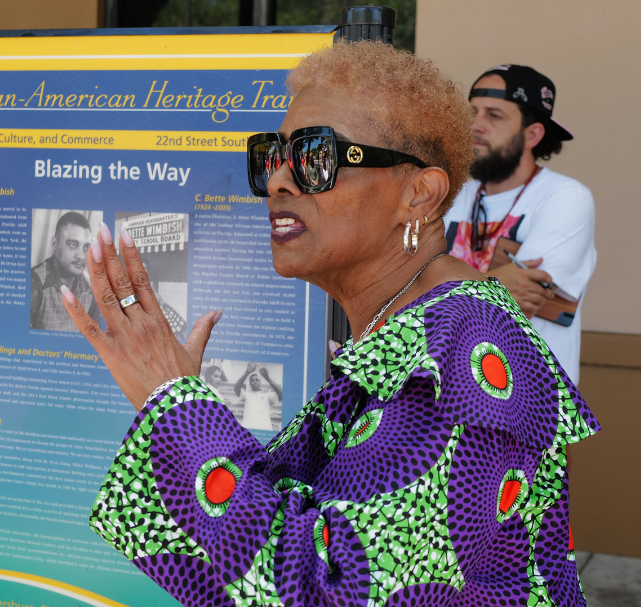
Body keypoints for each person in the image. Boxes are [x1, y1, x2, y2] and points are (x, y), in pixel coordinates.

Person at [59, 41, 597, 605]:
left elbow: (336, 587)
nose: (278, 183)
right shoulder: (407, 324)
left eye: (316, 157)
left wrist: (175, 407)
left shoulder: (465, 352)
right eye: (272, 156)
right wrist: (178, 402)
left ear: (418, 193)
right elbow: (310, 511)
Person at [443, 65, 595, 384]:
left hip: (530, 401)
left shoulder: (566, 196)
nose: (475, 125)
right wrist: (491, 285)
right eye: (472, 112)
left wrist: (432, 293)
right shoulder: (450, 194)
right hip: (451, 391)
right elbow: (399, 286)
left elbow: (516, 302)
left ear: (533, 134)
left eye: (494, 115)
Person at [29, 211, 101, 331]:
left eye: (86, 247)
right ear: (55, 244)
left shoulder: (91, 287)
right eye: (73, 245)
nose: (81, 256)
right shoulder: (35, 281)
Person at [231, 363, 281, 431]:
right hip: (248, 429)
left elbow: (281, 394)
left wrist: (267, 378)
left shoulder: (267, 395)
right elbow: (236, 388)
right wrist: (247, 372)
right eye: (252, 380)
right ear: (250, 383)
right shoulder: (246, 394)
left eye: (257, 380)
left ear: (260, 382)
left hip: (264, 429)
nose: (255, 382)